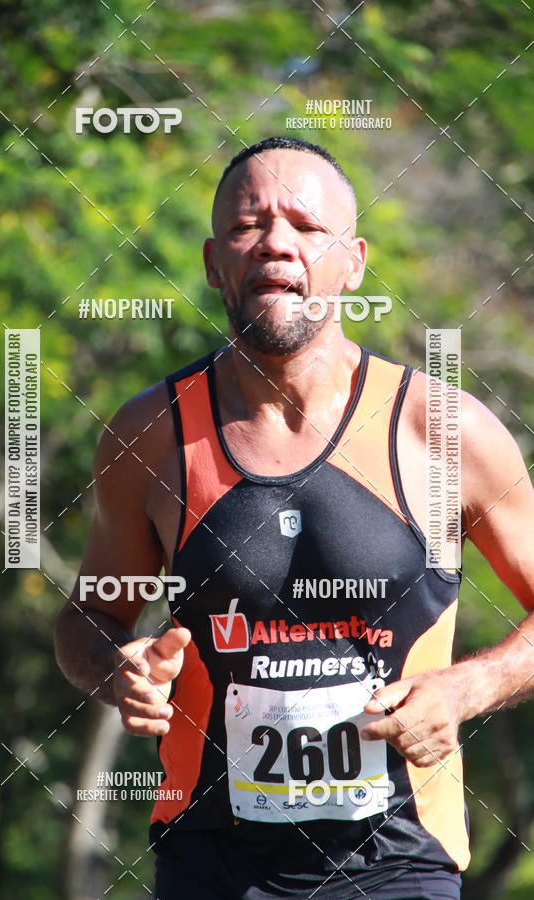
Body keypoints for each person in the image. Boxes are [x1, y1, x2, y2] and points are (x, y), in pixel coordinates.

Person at [54, 136, 534, 899]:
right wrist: (118, 670)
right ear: (215, 264)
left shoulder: (444, 429)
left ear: (354, 261)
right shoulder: (152, 434)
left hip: (398, 865)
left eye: (308, 227)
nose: (277, 242)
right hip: (210, 864)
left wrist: (462, 691)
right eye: (248, 226)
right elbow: (87, 622)